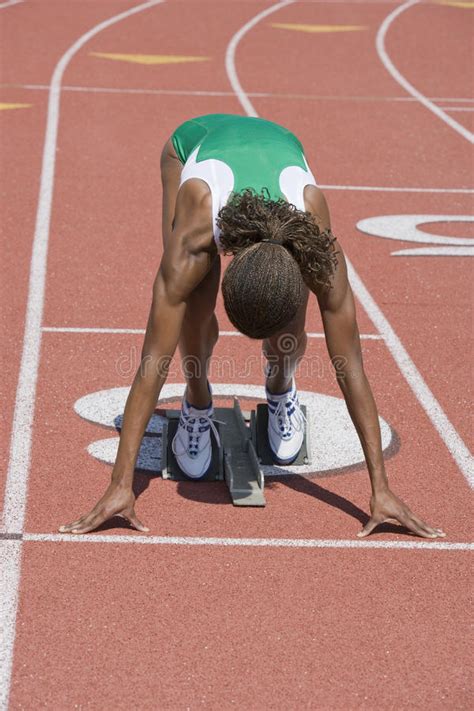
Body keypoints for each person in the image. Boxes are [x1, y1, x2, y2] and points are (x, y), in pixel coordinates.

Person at [60, 113, 445, 538]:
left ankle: (281, 388)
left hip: (279, 144)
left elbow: (349, 362)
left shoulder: (311, 222)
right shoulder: (197, 220)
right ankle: (197, 399)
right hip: (192, 146)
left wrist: (382, 488)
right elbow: (153, 361)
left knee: (289, 332)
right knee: (191, 306)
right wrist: (120, 485)